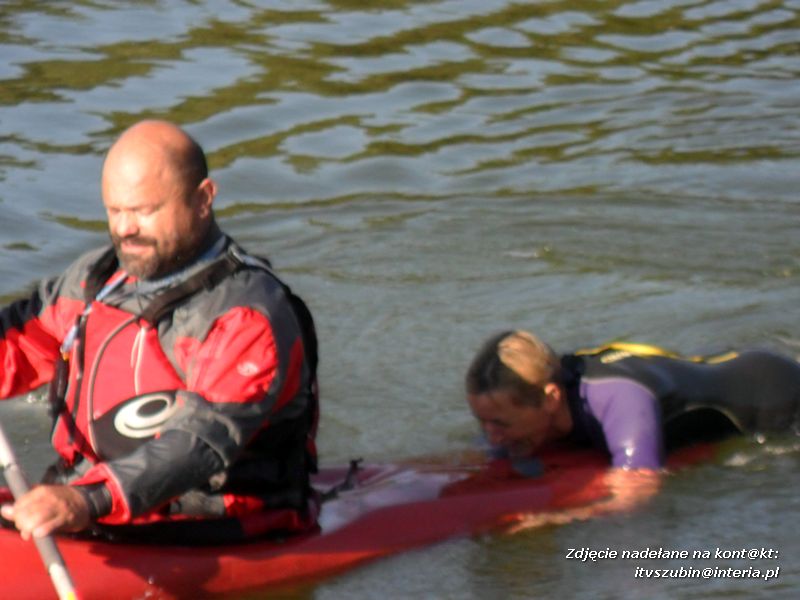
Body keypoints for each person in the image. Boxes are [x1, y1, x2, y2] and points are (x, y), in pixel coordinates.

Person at [0, 120, 319, 544]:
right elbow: (18, 345)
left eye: (144, 211)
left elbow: (200, 442)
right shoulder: (95, 280)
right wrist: (82, 498)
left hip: (206, 523)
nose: (125, 229)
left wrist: (87, 501)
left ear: (203, 199)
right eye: (115, 211)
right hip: (93, 505)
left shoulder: (246, 317)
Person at [465, 330, 800, 527]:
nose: (491, 435)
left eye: (500, 424)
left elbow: (637, 493)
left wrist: (551, 520)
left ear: (551, 399)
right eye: (482, 422)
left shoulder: (620, 399)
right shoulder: (529, 397)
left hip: (774, 395)